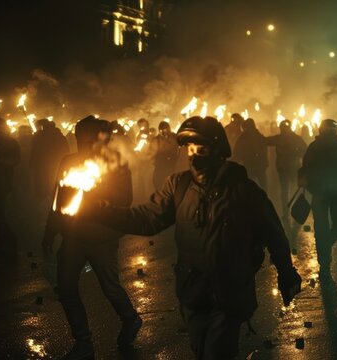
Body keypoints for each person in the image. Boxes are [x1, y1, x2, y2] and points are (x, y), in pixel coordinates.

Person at [81, 116, 302, 359]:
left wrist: (287, 274)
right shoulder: (178, 185)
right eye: (189, 148)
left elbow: (275, 234)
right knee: (201, 350)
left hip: (230, 293)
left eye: (202, 148)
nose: (194, 155)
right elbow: (146, 219)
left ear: (218, 150)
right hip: (193, 292)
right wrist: (98, 211)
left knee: (216, 353)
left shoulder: (243, 190)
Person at [41, 116, 139, 360]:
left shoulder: (114, 162)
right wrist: (50, 232)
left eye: (87, 138)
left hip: (102, 236)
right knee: (66, 288)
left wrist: (95, 191)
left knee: (109, 287)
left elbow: (125, 198)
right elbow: (58, 201)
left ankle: (130, 319)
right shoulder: (69, 161)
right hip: (73, 235)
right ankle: (83, 342)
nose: (82, 142)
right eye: (78, 137)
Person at [298, 120, 337, 278]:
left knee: (321, 229)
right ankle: (325, 259)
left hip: (322, 193)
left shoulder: (315, 147)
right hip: (336, 193)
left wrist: (303, 179)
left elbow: (305, 167)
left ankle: (324, 257)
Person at [0, 118, 21, 255]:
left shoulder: (11, 143)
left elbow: (15, 160)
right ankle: (4, 241)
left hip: (1, 183)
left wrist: (0, 159)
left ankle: (9, 240)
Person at [265, 120, 307, 217]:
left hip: (285, 167)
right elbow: (304, 149)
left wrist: (295, 153)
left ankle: (287, 212)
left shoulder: (281, 138)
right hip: (290, 167)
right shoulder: (295, 138)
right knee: (292, 189)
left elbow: (265, 141)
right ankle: (292, 211)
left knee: (286, 190)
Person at [30, 119, 70, 200]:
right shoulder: (59, 136)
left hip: (44, 165)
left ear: (42, 127)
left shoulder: (41, 136)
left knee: (44, 185)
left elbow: (36, 151)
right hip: (56, 164)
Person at [232, 118, 270, 190]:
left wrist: (234, 162)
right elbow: (264, 150)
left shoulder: (243, 137)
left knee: (249, 186)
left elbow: (237, 152)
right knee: (263, 186)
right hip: (257, 165)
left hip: (250, 165)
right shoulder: (259, 136)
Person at [151, 121, 178, 189]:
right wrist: (156, 163)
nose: (163, 132)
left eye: (165, 130)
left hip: (174, 164)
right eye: (161, 130)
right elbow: (151, 154)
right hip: (161, 165)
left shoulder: (175, 137)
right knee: (159, 183)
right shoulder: (156, 140)